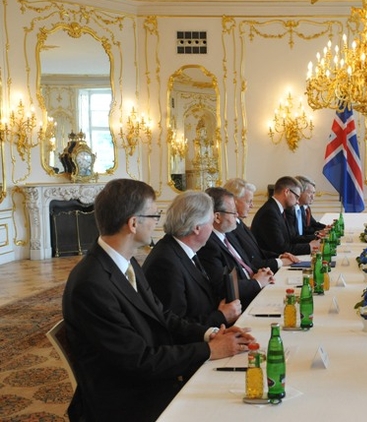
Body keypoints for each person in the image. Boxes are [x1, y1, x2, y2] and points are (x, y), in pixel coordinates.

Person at [62, 179, 254, 422]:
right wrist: (209, 350)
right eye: (154, 215)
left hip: (148, 378)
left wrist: (211, 334)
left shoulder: (127, 262)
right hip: (126, 399)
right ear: (133, 223)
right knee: (231, 403)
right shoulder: (91, 284)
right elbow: (138, 360)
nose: (157, 222)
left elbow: (163, 316)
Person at [143, 191, 242, 327]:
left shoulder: (183, 250)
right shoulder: (165, 263)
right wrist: (220, 316)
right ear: (197, 228)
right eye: (211, 223)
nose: (212, 228)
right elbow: (174, 325)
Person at [199, 187, 274, 310]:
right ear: (217, 217)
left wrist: (262, 273)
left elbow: (246, 265)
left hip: (255, 292)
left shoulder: (229, 234)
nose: (237, 215)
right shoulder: (208, 245)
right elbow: (222, 287)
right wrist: (257, 282)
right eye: (233, 212)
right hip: (241, 305)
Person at [223, 178, 299, 273]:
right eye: (249, 201)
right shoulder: (229, 228)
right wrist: (280, 262)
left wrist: (280, 256)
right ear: (234, 202)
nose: (252, 205)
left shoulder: (239, 223)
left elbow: (257, 252)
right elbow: (249, 261)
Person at [251, 176, 319, 255]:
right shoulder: (269, 213)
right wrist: (309, 247)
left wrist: (316, 237)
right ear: (287, 192)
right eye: (297, 197)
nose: (297, 202)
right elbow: (281, 248)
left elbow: (292, 238)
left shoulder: (279, 209)